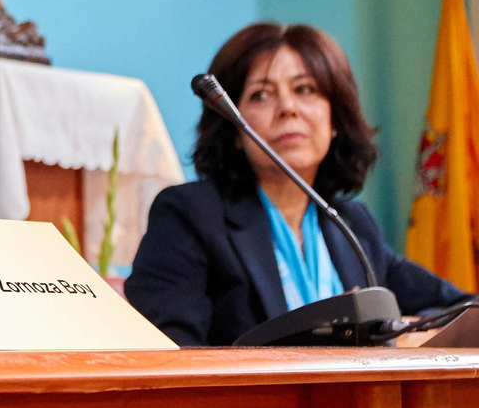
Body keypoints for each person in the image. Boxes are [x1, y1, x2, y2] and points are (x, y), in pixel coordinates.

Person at [127, 23, 470, 346]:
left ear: (335, 119)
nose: (288, 108)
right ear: (233, 129)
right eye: (261, 95)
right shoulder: (190, 217)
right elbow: (168, 352)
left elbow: (464, 310)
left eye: (305, 89)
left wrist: (407, 331)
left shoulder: (352, 225)